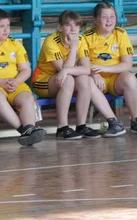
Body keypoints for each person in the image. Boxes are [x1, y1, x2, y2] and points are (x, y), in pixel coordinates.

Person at [0, 8, 46, 147]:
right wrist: (1, 82)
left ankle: (29, 128)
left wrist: (16, 81)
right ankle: (25, 131)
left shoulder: (15, 44)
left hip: (15, 83)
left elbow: (25, 69)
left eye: (8, 26)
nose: (6, 30)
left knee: (28, 98)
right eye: (1, 26)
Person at [84, 2, 137, 135]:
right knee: (87, 81)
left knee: (130, 77)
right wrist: (94, 74)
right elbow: (82, 64)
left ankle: (136, 121)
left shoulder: (121, 34)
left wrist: (103, 68)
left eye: (112, 16)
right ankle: (114, 123)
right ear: (96, 20)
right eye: (105, 17)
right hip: (96, 80)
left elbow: (127, 65)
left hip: (116, 78)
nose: (109, 20)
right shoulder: (86, 37)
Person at [32, 10, 101, 140]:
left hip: (64, 78)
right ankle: (62, 127)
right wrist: (74, 48)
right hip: (43, 80)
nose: (73, 29)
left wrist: (66, 70)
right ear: (60, 27)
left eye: (76, 25)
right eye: (68, 25)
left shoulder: (81, 39)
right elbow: (62, 69)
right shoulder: (51, 41)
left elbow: (86, 69)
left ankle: (81, 126)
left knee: (84, 79)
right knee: (68, 79)